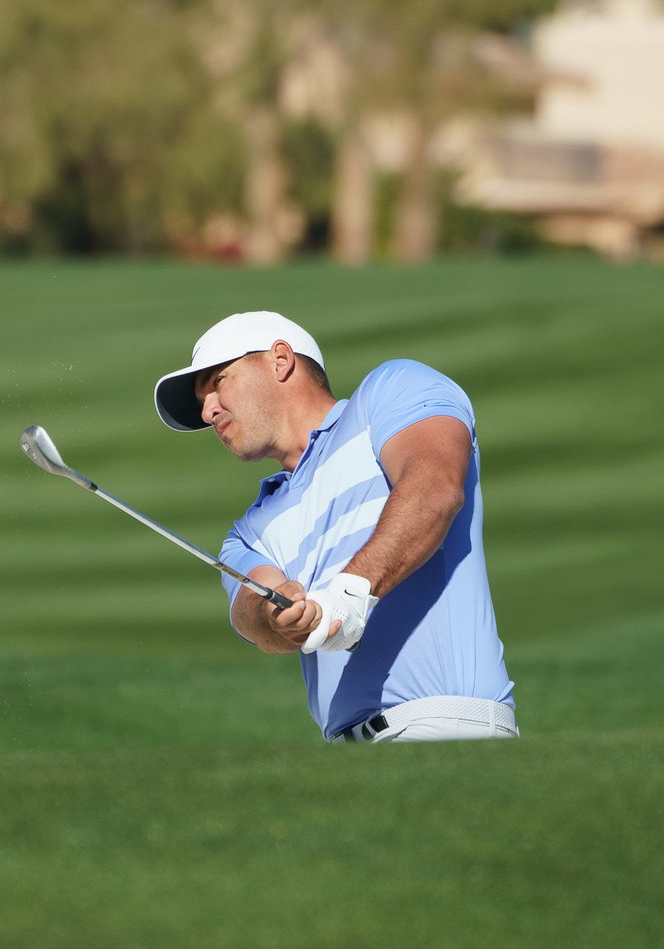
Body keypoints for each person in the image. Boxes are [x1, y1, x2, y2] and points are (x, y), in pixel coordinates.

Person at [153, 311, 516, 744]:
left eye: (217, 382)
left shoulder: (392, 391)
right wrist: (280, 615)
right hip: (344, 759)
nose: (208, 410)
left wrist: (350, 595)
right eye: (202, 402)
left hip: (444, 726)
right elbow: (252, 612)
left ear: (280, 360)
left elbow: (435, 489)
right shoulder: (249, 531)